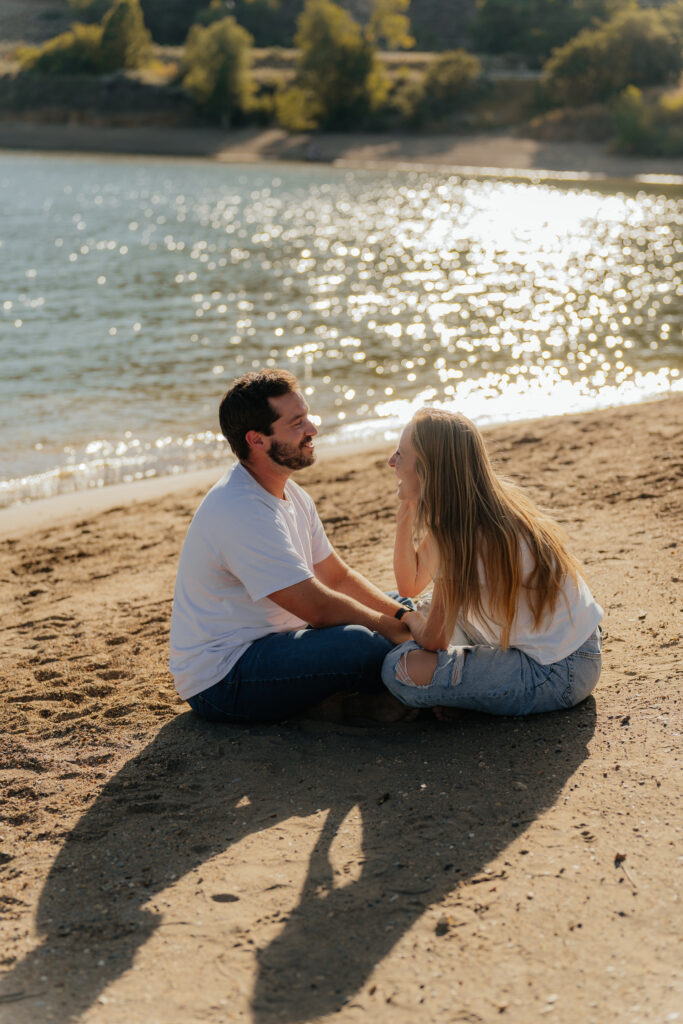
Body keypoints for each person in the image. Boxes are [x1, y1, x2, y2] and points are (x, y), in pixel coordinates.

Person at [169, 368, 410, 724]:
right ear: (257, 440)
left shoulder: (292, 494)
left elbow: (338, 578)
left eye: (307, 416)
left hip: (279, 639)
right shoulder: (240, 509)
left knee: (398, 604)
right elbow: (318, 608)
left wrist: (402, 617)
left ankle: (350, 692)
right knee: (363, 644)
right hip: (224, 679)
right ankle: (402, 689)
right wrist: (395, 630)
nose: (313, 429)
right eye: (297, 423)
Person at [381, 408, 603, 716]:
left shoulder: (463, 532)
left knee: (400, 668)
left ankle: (466, 699)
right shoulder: (475, 507)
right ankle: (469, 692)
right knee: (423, 611)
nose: (391, 462)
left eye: (400, 454)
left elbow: (433, 638)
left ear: (428, 470)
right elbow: (411, 582)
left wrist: (407, 617)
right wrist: (406, 512)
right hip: (571, 647)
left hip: (557, 671)